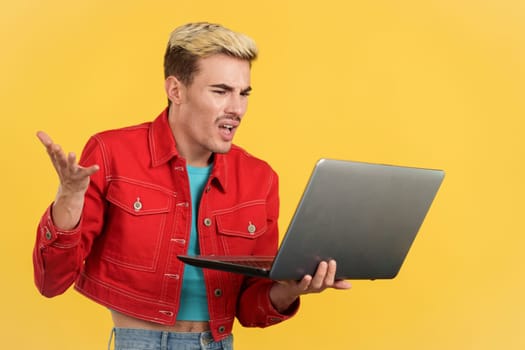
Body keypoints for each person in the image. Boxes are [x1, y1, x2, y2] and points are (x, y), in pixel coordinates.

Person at [33, 22, 351, 350]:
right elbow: (51, 282)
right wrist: (69, 200)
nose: (237, 108)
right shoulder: (111, 154)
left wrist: (292, 289)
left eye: (243, 93)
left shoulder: (260, 178)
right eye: (221, 91)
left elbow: (249, 306)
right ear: (176, 90)